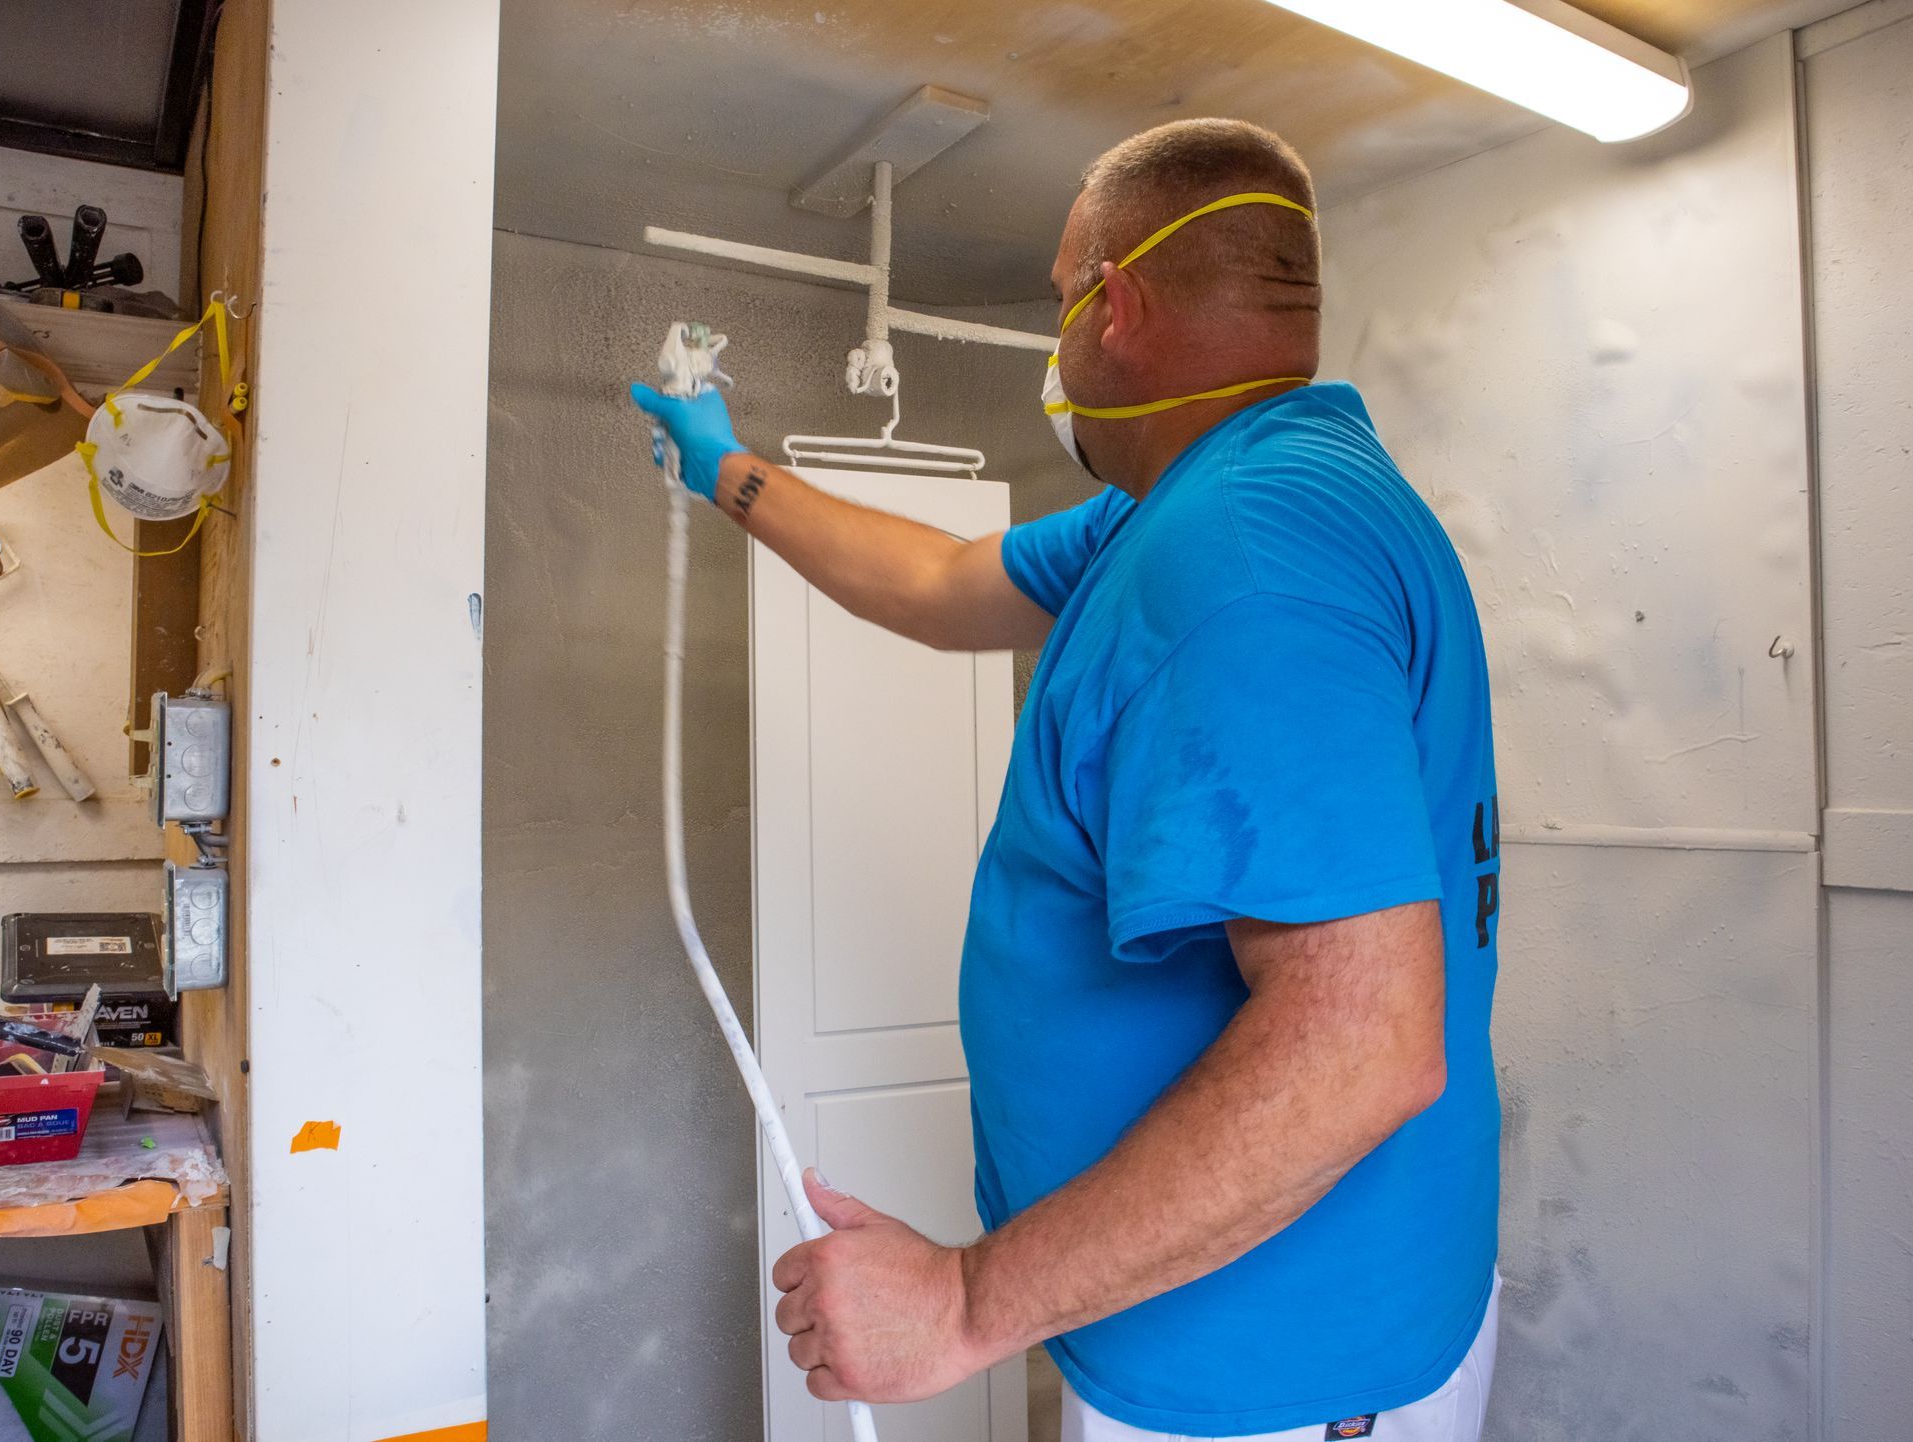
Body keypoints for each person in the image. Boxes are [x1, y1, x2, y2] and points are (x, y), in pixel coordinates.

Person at [633, 117, 1502, 1442]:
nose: (1058, 344)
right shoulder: (1187, 511)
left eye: (1059, 300)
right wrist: (728, 470)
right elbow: (934, 586)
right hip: (1255, 1331)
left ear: (1120, 305)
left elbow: (1362, 1044)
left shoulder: (1244, 557)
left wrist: (971, 1302)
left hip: (1270, 1375)